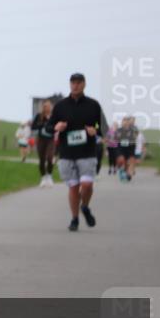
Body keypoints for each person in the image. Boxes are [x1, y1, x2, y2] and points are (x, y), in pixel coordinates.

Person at [47, 73, 105, 231]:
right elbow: (49, 127)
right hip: (67, 153)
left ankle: (85, 206)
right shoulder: (60, 106)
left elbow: (104, 129)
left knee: (87, 184)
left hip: (87, 152)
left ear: (84, 84)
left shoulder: (93, 105)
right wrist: (56, 127)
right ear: (69, 84)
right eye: (73, 83)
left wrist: (96, 131)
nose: (76, 86)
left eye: (79, 82)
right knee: (73, 188)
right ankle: (74, 219)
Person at [31, 100, 55, 187]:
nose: (47, 108)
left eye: (49, 106)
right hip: (41, 139)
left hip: (51, 139)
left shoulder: (54, 116)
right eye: (45, 106)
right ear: (43, 108)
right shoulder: (39, 116)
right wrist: (42, 126)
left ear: (51, 107)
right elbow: (33, 126)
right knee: (42, 159)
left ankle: (49, 176)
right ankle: (43, 178)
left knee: (50, 157)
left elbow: (56, 126)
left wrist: (51, 127)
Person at [114, 115, 140, 181]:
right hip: (121, 148)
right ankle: (120, 168)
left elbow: (136, 136)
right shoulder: (119, 130)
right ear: (122, 122)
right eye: (124, 121)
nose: (125, 123)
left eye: (127, 121)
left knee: (129, 162)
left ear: (129, 123)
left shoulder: (133, 130)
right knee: (121, 160)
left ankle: (127, 173)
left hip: (130, 148)